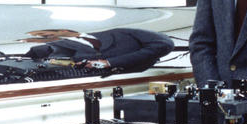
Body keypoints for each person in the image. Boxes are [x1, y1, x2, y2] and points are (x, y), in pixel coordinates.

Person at [23, 27, 175, 73]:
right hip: (99, 60)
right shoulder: (164, 41)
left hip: (111, 64)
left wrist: (108, 63)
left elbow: (163, 46)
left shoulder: (126, 30)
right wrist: (108, 63)